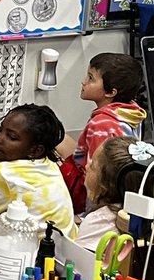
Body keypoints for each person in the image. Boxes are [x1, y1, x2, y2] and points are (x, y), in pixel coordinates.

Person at [60, 53, 147, 212]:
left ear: (110, 92)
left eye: (91, 78)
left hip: (97, 194)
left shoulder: (101, 124)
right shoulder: (132, 112)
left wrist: (89, 215)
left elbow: (96, 174)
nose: (84, 82)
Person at [0, 104, 77, 241]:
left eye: (12, 137)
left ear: (35, 150)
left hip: (29, 255)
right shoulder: (51, 166)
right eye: (0, 130)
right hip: (64, 252)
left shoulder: (4, 173)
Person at [75, 136, 153, 250]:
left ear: (106, 185)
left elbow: (75, 264)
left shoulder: (99, 222)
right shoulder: (151, 218)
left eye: (92, 165)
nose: (86, 166)